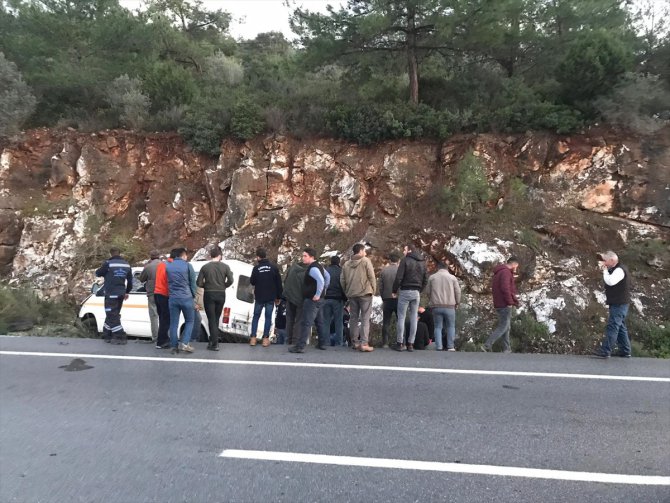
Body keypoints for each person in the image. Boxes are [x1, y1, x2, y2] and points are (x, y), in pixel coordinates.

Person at [289, 247, 330, 353]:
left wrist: (317, 294)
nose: (303, 258)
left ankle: (300, 346)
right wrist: (322, 292)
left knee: (306, 322)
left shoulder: (313, 269)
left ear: (311, 257)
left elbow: (321, 280)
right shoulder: (319, 266)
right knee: (320, 322)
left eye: (305, 256)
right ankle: (322, 343)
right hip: (320, 300)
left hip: (312, 300)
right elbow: (327, 277)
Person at [593, 251, 632, 358]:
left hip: (619, 304)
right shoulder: (617, 269)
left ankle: (605, 351)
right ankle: (625, 351)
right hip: (619, 303)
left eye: (605, 260)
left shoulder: (619, 270)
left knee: (613, 326)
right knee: (620, 327)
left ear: (612, 260)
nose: (603, 262)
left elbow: (610, 281)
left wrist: (605, 271)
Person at [197, 246, 234, 352]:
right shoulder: (225, 267)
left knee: (211, 319)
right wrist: (224, 285)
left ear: (210, 256)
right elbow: (231, 280)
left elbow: (198, 283)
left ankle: (214, 343)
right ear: (219, 256)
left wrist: (207, 285)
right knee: (216, 318)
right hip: (221, 294)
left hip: (209, 294)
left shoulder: (205, 267)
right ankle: (213, 340)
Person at [392, 244, 428, 352]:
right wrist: (419, 290)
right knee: (413, 317)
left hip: (405, 291)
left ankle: (400, 343)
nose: (403, 251)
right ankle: (411, 344)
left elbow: (399, 277)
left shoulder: (405, 260)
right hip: (416, 292)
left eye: (405, 249)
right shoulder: (423, 262)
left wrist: (394, 290)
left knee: (401, 317)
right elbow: (426, 279)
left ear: (410, 250)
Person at [340, 243, 376, 352]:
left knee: (353, 318)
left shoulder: (346, 264)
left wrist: (347, 291)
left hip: (352, 294)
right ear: (360, 251)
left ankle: (354, 342)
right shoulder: (365, 261)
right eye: (364, 251)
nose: (365, 253)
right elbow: (371, 276)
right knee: (365, 318)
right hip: (365, 293)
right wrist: (373, 290)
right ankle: (364, 343)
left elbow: (342, 280)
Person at [95, 247, 133, 345]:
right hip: (121, 294)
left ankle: (120, 336)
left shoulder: (109, 263)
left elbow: (98, 273)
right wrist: (127, 291)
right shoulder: (127, 264)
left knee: (112, 315)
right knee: (113, 314)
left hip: (111, 293)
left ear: (111, 254)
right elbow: (130, 281)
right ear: (119, 253)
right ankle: (106, 334)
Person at [481, 257, 520, 353]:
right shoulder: (506, 272)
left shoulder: (499, 272)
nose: (516, 268)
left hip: (498, 303)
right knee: (504, 326)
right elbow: (505, 288)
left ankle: (506, 348)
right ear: (514, 264)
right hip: (504, 303)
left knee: (506, 326)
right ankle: (487, 344)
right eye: (517, 266)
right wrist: (510, 302)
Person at [165, 247, 197, 354]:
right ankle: (184, 343)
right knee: (189, 321)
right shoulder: (188, 266)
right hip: (186, 298)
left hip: (173, 298)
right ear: (183, 255)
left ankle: (174, 346)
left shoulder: (168, 266)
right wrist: (194, 297)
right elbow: (193, 284)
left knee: (174, 323)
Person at [249, 248, 283, 347]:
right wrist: (278, 297)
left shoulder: (256, 268)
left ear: (258, 257)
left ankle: (253, 338)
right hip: (270, 297)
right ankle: (265, 339)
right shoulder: (273, 268)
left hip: (259, 296)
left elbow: (252, 281)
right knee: (268, 318)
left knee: (256, 317)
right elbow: (278, 284)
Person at [426, 262, 462, 351]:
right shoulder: (452, 278)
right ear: (447, 268)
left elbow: (428, 291)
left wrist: (432, 300)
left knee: (438, 327)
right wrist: (457, 302)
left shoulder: (432, 277)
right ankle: (450, 346)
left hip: (436, 306)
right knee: (451, 326)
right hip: (450, 306)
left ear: (438, 268)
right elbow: (458, 291)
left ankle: (439, 346)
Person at [322, 256, 346, 346]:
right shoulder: (341, 271)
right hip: (338, 299)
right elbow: (343, 285)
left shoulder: (325, 270)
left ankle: (325, 342)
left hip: (326, 298)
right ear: (338, 262)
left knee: (326, 321)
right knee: (338, 322)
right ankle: (339, 342)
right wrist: (345, 298)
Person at [138, 250, 162, 342]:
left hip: (152, 293)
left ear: (151, 257)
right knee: (164, 315)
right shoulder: (164, 265)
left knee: (154, 316)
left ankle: (155, 337)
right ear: (159, 256)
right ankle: (165, 336)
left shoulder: (148, 267)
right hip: (164, 293)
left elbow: (141, 279)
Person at [283, 259, 307, 346]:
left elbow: (285, 281)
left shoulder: (292, 268)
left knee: (289, 319)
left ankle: (288, 339)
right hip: (300, 299)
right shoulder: (307, 272)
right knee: (299, 321)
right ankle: (295, 340)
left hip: (290, 297)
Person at [378, 252, 400, 348]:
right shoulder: (400, 270)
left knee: (386, 321)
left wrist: (383, 297)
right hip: (399, 298)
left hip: (387, 298)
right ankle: (400, 341)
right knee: (400, 320)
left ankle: (385, 343)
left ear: (389, 260)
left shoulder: (384, 271)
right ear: (398, 260)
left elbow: (380, 286)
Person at [153, 253, 172, 349]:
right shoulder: (171, 266)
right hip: (165, 293)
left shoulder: (161, 265)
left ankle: (161, 339)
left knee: (161, 318)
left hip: (157, 293)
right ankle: (162, 341)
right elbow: (169, 281)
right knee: (166, 319)